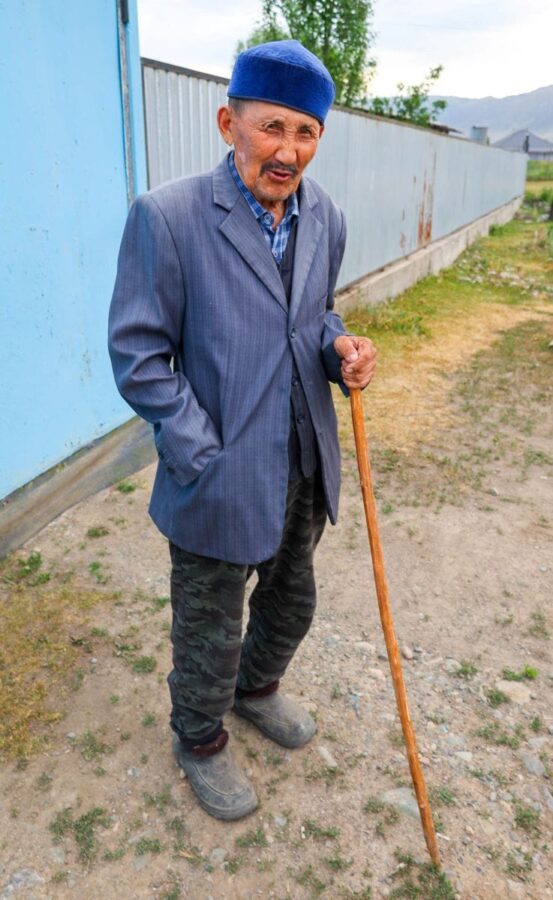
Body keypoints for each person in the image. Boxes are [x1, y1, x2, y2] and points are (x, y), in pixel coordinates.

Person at [108, 39, 376, 820]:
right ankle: (199, 737)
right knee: (210, 624)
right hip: (217, 469)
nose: (288, 150)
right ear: (229, 122)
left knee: (291, 600)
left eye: (305, 132)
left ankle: (257, 692)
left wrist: (341, 349)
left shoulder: (324, 216)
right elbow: (138, 353)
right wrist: (201, 451)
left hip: (301, 456)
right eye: (271, 128)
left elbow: (315, 315)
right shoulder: (170, 216)